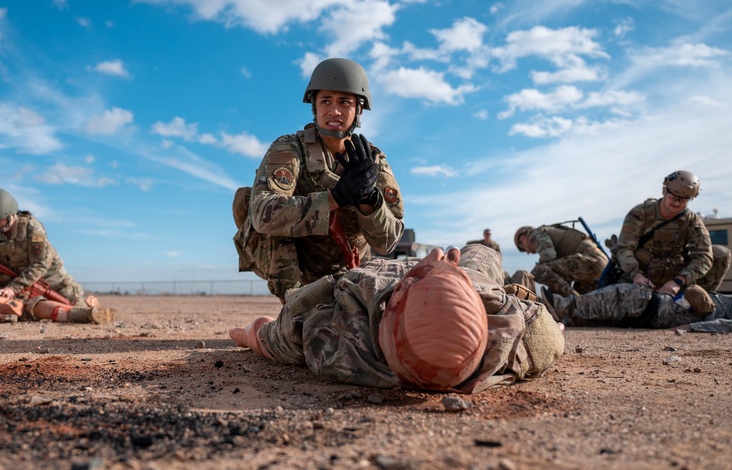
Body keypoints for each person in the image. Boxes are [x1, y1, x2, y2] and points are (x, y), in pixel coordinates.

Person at [229, 244, 565, 393]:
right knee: (484, 251)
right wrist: (453, 274)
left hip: (383, 280)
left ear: (400, 293)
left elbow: (267, 334)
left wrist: (246, 334)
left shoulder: (332, 332)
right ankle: (455, 275)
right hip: (468, 284)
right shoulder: (510, 333)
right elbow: (548, 334)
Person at [232, 58, 405, 302]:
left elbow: (387, 242)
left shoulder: (372, 161)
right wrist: (335, 198)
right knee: (264, 216)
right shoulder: (290, 149)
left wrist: (368, 199)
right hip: (298, 265)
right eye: (326, 101)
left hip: (349, 265)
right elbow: (262, 213)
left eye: (344, 102)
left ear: (359, 110)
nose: (334, 111)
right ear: (314, 107)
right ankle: (295, 309)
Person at [0, 189, 92, 307]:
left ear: (10, 213)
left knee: (78, 309)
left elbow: (41, 264)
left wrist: (13, 288)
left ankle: (90, 302)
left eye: (0, 220)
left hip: (51, 281)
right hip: (15, 284)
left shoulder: (32, 229)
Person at [605, 170, 731, 294]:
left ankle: (698, 301)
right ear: (664, 191)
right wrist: (636, 276)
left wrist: (679, 281)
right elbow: (624, 249)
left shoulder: (692, 221)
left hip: (675, 279)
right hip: (639, 278)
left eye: (683, 200)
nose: (677, 203)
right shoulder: (640, 214)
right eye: (674, 198)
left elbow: (704, 256)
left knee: (721, 253)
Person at [535, 282, 732, 334]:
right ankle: (563, 314)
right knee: (612, 311)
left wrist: (691, 327)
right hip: (667, 309)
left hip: (667, 310)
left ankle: (560, 306)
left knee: (621, 296)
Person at [509, 223, 608, 296]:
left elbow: (548, 255)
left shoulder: (535, 234)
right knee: (584, 307)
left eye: (522, 247)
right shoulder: (547, 232)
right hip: (599, 265)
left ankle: (571, 299)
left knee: (538, 271)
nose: (527, 252)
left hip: (591, 260)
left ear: (523, 238)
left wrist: (537, 268)